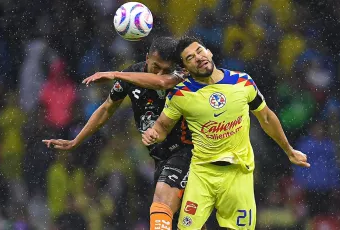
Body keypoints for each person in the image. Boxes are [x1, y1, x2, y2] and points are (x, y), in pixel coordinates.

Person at [140, 36, 311, 230]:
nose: (198, 57)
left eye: (199, 51)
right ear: (185, 69)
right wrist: (153, 133)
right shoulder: (180, 93)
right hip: (202, 174)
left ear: (209, 53)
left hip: (238, 173)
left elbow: (266, 118)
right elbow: (162, 127)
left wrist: (289, 150)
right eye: (190, 58)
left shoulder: (242, 82)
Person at [43, 37, 199, 230]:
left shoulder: (180, 73)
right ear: (146, 57)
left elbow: (161, 82)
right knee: (185, 220)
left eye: (165, 69)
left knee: (162, 201)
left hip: (188, 151)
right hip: (161, 156)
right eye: (155, 66)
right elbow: (107, 108)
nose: (160, 72)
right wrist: (76, 140)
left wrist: (115, 74)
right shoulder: (131, 75)